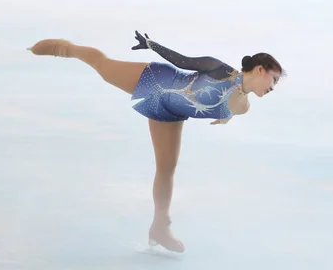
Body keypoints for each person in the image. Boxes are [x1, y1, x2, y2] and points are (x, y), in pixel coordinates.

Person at [28, 31, 285, 253]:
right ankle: (67, 48)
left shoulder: (243, 107)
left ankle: (160, 227)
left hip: (170, 114)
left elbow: (225, 107)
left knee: (166, 169)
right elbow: (183, 61)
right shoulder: (220, 70)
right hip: (156, 80)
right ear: (260, 69)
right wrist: (152, 45)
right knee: (104, 67)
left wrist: (224, 118)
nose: (273, 87)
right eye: (273, 79)